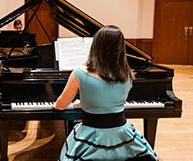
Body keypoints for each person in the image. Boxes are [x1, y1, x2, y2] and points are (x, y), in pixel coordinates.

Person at [53, 25, 158, 161]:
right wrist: (86, 102)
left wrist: (69, 104)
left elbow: (61, 105)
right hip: (122, 134)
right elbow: (108, 100)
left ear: (95, 46)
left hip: (91, 135)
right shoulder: (127, 75)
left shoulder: (79, 73)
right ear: (120, 48)